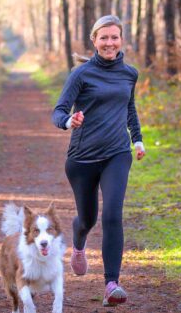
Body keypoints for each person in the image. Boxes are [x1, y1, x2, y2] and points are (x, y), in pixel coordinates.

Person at [52, 15, 145, 307]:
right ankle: (78, 245)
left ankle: (111, 284)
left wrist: (137, 140)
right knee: (88, 218)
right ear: (94, 41)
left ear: (121, 40)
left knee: (112, 215)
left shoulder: (130, 74)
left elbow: (129, 108)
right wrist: (69, 121)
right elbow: (58, 111)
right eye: (103, 38)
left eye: (114, 37)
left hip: (118, 154)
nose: (109, 43)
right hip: (82, 159)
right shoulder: (81, 74)